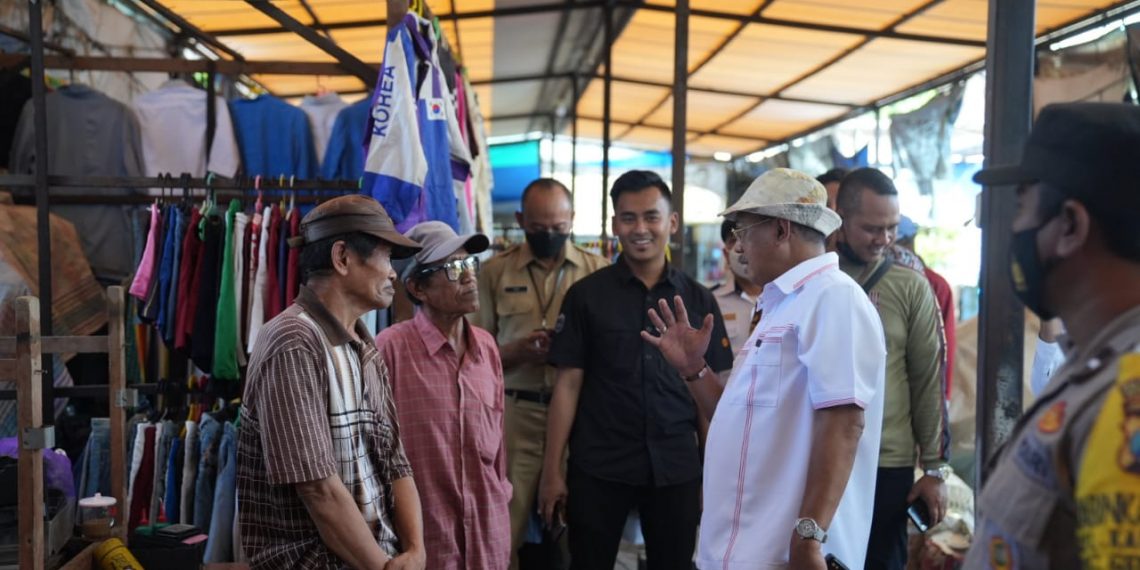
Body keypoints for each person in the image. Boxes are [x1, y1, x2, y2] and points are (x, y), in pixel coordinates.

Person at [643, 167, 886, 569]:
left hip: (783, 555)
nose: (737, 246)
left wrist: (809, 537)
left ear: (780, 230)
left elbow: (845, 424)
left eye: (743, 231)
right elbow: (739, 417)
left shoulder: (834, 298)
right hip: (739, 551)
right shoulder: (781, 306)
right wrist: (694, 370)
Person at [963, 102, 1140, 568]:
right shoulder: (1091, 365)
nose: (1013, 229)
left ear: (1070, 226)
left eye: (1021, 206)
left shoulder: (1128, 394)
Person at [538, 170, 734, 569]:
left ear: (672, 222)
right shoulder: (586, 296)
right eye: (628, 218)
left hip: (676, 468)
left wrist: (710, 473)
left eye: (651, 217)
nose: (640, 228)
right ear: (614, 225)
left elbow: (708, 395)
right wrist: (552, 471)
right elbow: (567, 387)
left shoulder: (698, 300)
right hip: (599, 466)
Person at [236, 194, 427, 570]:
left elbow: (395, 463)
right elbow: (317, 488)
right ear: (342, 258)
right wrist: (382, 566)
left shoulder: (365, 345)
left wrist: (416, 550)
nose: (393, 273)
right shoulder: (293, 342)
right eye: (386, 257)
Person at [471, 178, 609, 569]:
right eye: (538, 227)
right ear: (520, 220)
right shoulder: (494, 272)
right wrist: (513, 352)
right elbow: (472, 358)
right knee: (501, 532)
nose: (549, 234)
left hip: (581, 419)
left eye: (558, 227)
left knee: (580, 532)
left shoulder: (598, 272)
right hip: (515, 417)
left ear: (572, 219)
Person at [376, 221, 511, 570]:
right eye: (453, 268)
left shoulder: (486, 347)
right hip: (425, 545)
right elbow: (373, 452)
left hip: (487, 539)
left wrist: (501, 496)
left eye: (470, 263)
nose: (468, 276)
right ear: (418, 288)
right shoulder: (390, 349)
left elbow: (498, 449)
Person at [834, 168, 949, 570]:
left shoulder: (912, 287)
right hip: (823, 457)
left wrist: (934, 468)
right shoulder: (815, 278)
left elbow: (928, 380)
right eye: (871, 228)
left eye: (892, 228)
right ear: (841, 218)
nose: (884, 239)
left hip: (889, 462)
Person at [895, 215, 957, 396]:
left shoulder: (936, 285)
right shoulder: (876, 279)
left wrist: (943, 396)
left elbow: (946, 347)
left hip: (923, 387)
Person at [711, 219, 764, 354]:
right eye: (733, 240)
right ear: (726, 255)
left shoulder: (786, 297)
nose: (740, 247)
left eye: (747, 236)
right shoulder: (710, 301)